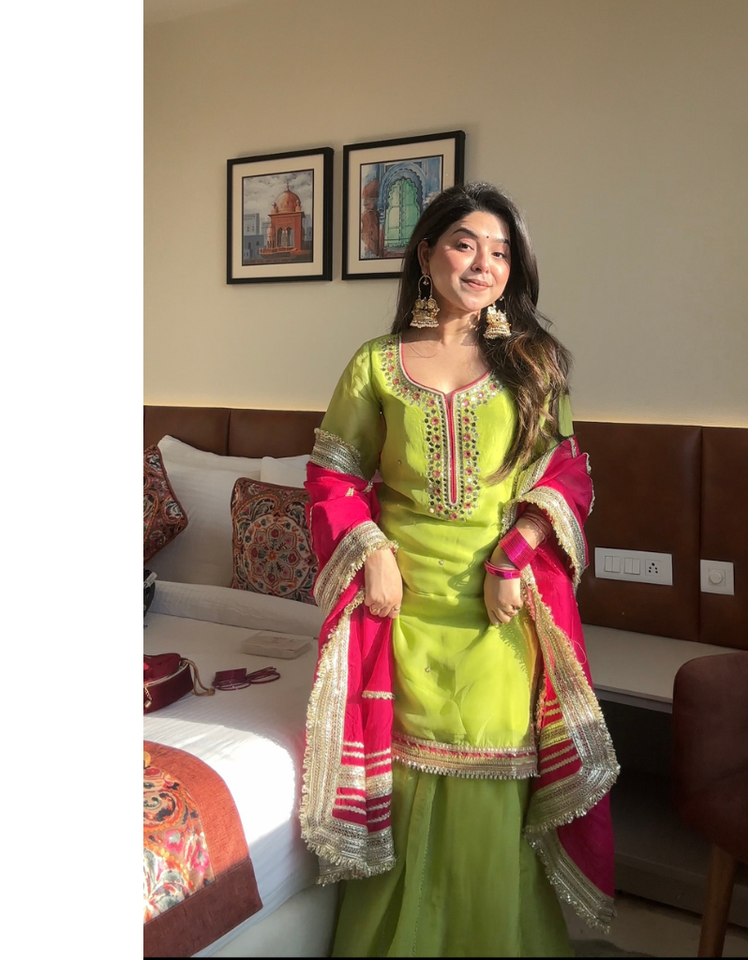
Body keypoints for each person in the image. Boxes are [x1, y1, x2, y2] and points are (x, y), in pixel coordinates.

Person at [299, 182, 619, 957]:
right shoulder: (375, 364)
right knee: (406, 781)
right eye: (466, 244)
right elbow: (333, 474)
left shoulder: (533, 362)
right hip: (401, 607)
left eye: (501, 252)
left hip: (499, 608)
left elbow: (566, 473)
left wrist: (517, 552)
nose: (484, 264)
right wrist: (371, 550)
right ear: (426, 253)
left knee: (491, 769)